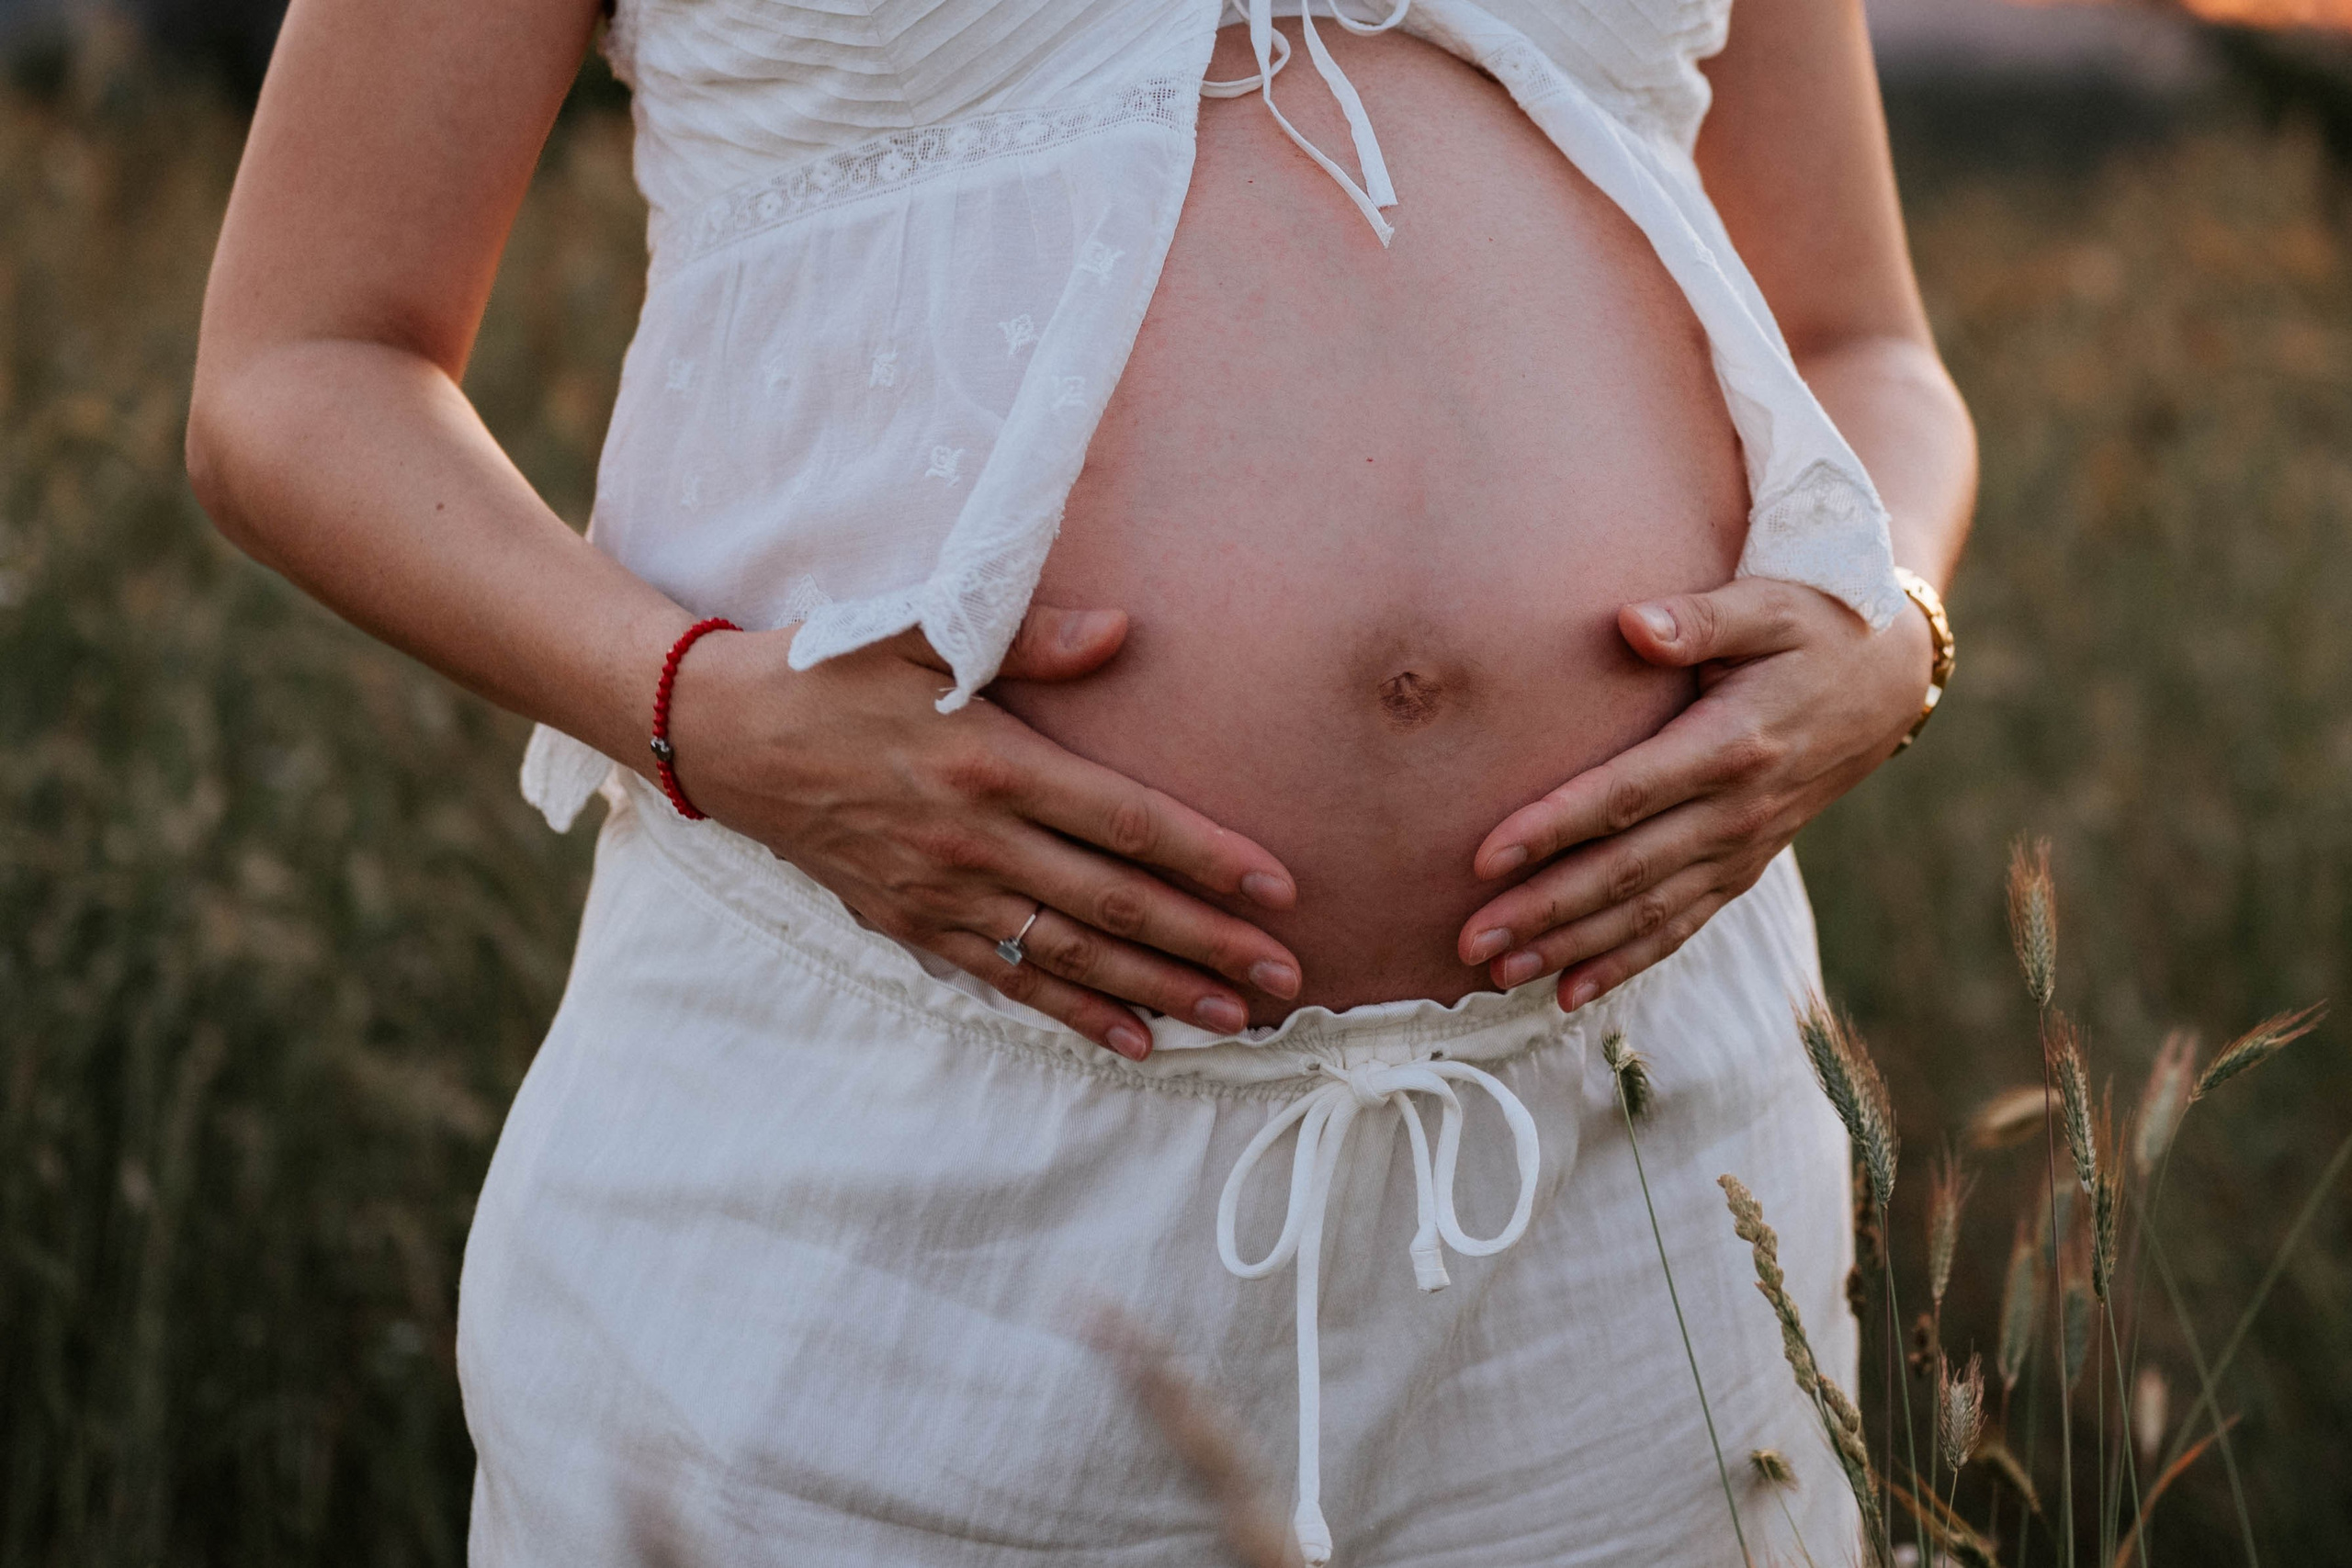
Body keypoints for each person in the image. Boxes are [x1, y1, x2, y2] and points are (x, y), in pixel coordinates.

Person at [187, 0, 1974, 1560]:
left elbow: (1855, 340)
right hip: (884, 1184)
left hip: (1637, 1158)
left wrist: (1887, 611)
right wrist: (696, 709)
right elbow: (300, 369)